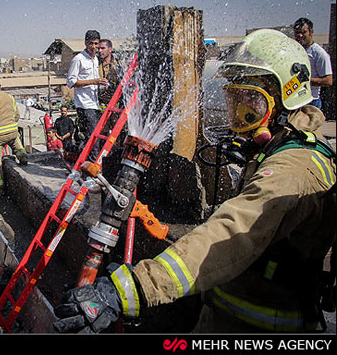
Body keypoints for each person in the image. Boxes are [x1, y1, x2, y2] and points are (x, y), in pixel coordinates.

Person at [53, 29, 336, 334]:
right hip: (224, 319)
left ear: (283, 98)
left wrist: (130, 287)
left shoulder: (293, 168)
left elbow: (230, 233)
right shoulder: (273, 150)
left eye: (250, 98)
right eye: (234, 96)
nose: (237, 110)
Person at [67, 30, 108, 160]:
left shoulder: (95, 59)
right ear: (85, 43)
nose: (94, 47)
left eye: (96, 44)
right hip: (84, 104)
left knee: (93, 135)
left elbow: (94, 80)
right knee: (92, 137)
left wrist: (101, 84)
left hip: (94, 103)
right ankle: (91, 168)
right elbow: (71, 82)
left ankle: (85, 162)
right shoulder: (78, 59)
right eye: (91, 43)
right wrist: (94, 81)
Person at [293, 17, 333, 110]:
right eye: (297, 33)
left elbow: (328, 81)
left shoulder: (319, 54)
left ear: (311, 32)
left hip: (311, 101)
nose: (300, 35)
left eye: (303, 32)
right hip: (295, 100)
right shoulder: (295, 50)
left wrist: (305, 80)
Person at [98, 39, 122, 106]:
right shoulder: (95, 64)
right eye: (98, 48)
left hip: (116, 102)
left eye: (103, 48)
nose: (100, 51)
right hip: (100, 102)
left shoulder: (119, 64)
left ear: (110, 49)